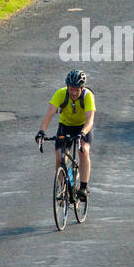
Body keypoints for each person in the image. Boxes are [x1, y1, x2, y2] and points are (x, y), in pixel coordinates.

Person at [35, 69, 94, 202]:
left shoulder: (88, 96)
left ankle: (83, 187)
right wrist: (41, 131)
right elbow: (49, 114)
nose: (73, 92)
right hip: (65, 127)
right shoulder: (61, 94)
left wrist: (83, 133)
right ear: (67, 86)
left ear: (82, 88)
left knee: (83, 151)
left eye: (77, 89)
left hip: (83, 127)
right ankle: (65, 188)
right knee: (59, 157)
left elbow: (90, 120)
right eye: (71, 89)